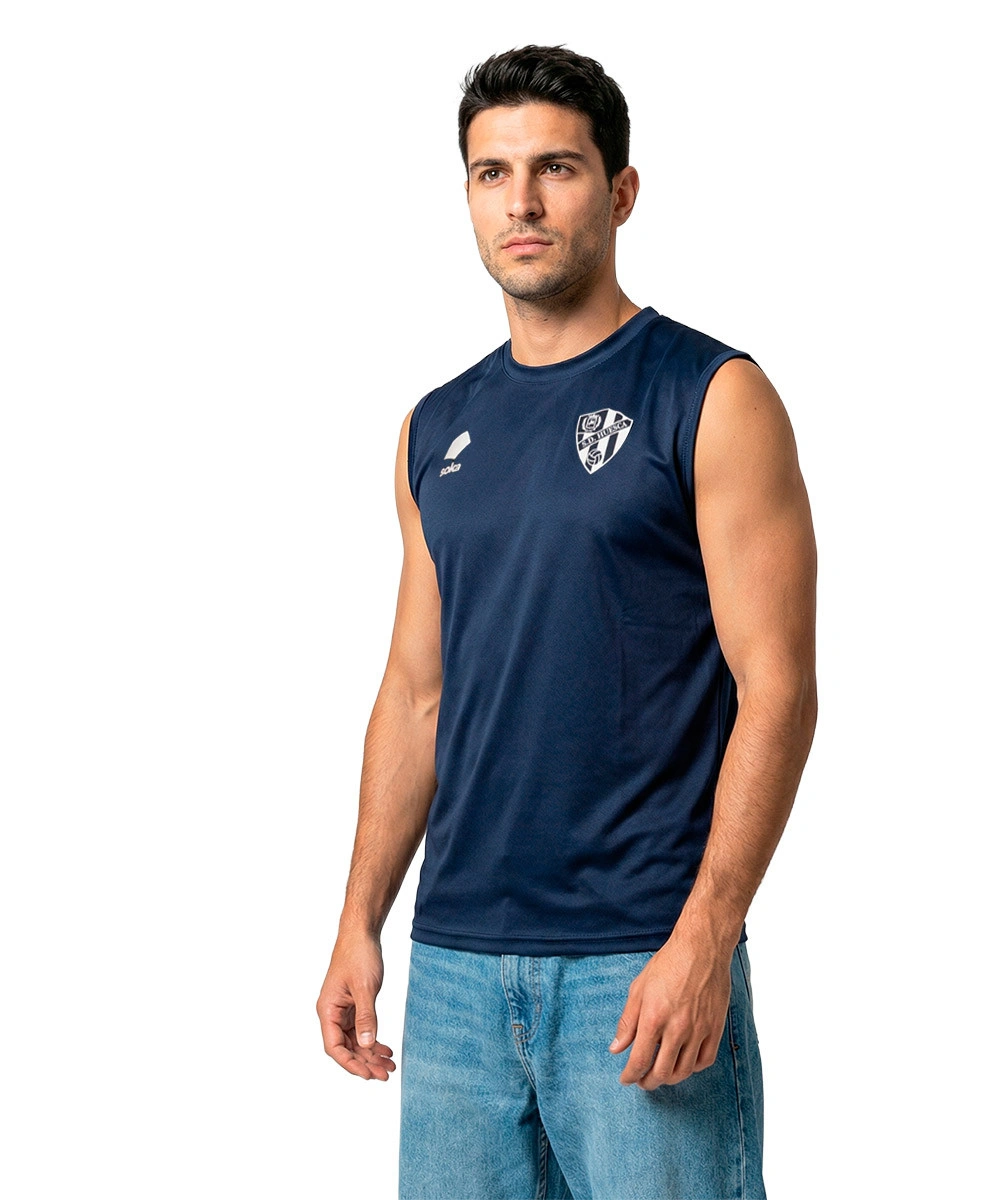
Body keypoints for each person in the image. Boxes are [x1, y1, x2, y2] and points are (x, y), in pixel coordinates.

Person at [317, 44, 818, 1200]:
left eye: (557, 168)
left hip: (637, 954)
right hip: (454, 968)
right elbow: (417, 694)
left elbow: (778, 687)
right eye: (492, 174)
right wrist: (358, 917)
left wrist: (707, 935)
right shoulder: (435, 426)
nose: (523, 203)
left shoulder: (710, 394)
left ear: (621, 191)